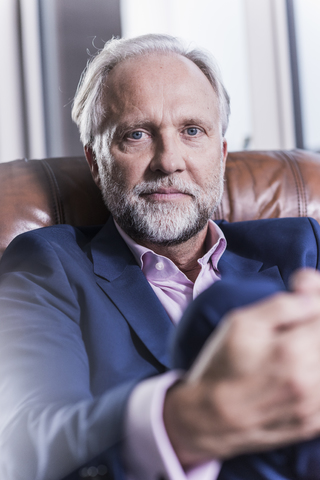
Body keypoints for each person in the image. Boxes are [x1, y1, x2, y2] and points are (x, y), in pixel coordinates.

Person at [1, 33, 320, 480]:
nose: (168, 160)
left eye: (192, 131)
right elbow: (26, 445)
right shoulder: (46, 266)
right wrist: (184, 423)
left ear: (221, 154)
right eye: (136, 134)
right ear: (95, 162)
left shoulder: (303, 245)